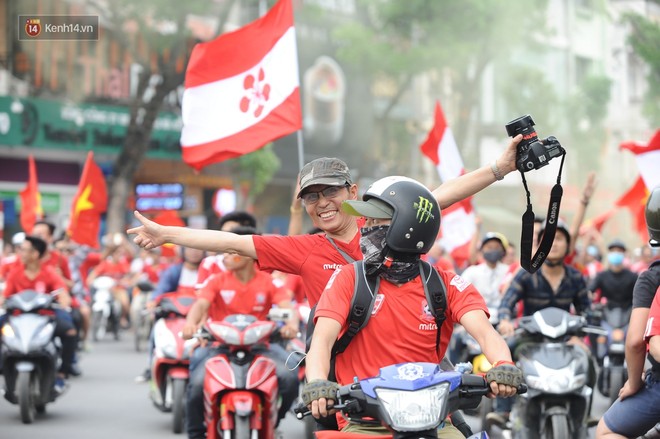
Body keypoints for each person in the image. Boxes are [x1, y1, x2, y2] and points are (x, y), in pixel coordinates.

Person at [128, 134, 523, 311]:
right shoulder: (304, 250)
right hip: (340, 382)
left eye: (329, 192)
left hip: (406, 369)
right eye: (311, 197)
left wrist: (499, 168)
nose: (322, 204)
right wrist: (165, 234)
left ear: (352, 191)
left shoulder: (388, 226)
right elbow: (231, 242)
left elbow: (441, 194)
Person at [301, 176, 521, 437]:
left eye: (375, 221)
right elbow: (322, 342)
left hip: (433, 419)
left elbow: (486, 333)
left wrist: (503, 365)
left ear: (408, 227)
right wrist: (317, 383)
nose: (365, 228)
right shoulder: (349, 278)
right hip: (365, 421)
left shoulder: (445, 284)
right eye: (366, 221)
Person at [180, 226, 299, 439]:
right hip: (218, 347)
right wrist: (191, 325)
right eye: (225, 252)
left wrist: (291, 326)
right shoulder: (216, 281)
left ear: (248, 253)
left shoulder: (268, 282)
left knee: (290, 378)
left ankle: (276, 418)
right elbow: (199, 306)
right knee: (196, 385)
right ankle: (196, 434)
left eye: (231, 251)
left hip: (262, 346)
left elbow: (287, 307)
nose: (226, 256)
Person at [493, 220, 593, 426]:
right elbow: (507, 302)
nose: (553, 243)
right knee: (505, 352)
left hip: (565, 338)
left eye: (559, 239)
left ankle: (585, 412)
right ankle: (504, 410)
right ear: (540, 245)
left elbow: (586, 311)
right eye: (548, 239)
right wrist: (505, 320)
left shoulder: (576, 277)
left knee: (588, 359)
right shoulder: (527, 273)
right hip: (530, 336)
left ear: (568, 246)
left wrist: (578, 335)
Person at [596, 186, 660, 439]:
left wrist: (634, 381)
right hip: (612, 318)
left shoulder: (646, 278)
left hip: (654, 374)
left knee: (606, 432)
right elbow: (590, 295)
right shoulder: (600, 276)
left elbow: (637, 342)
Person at [0, 236, 78, 393]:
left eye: (23, 249)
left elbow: (62, 291)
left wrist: (64, 300)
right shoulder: (15, 273)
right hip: (17, 316)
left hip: (46, 316)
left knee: (70, 331)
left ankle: (63, 372)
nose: (20, 253)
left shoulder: (48, 272)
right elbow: (5, 296)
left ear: (35, 254)